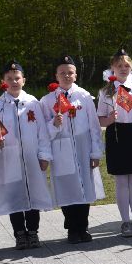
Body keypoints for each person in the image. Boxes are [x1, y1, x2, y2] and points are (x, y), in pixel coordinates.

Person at [37, 56, 101, 245]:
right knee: (67, 188)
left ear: (76, 74)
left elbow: (94, 126)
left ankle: (83, 227)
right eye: (62, 73)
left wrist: (95, 152)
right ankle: (72, 229)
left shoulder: (84, 96)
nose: (66, 76)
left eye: (70, 72)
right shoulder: (48, 100)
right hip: (61, 147)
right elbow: (43, 131)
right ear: (56, 75)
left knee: (84, 187)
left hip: (82, 146)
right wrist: (54, 124)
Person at [0, 62, 50, 250]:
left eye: (17, 78)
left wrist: (44, 155)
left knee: (33, 194)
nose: (14, 82)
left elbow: (42, 132)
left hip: (32, 158)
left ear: (23, 80)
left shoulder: (34, 103)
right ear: (3, 82)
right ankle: (19, 234)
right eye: (9, 79)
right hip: (9, 159)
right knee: (14, 195)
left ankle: (33, 232)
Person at [98, 49, 132, 237]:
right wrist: (110, 119)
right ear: (112, 68)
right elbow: (100, 119)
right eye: (119, 66)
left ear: (131, 67)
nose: (123, 68)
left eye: (126, 65)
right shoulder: (106, 91)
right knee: (121, 180)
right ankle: (125, 221)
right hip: (116, 133)